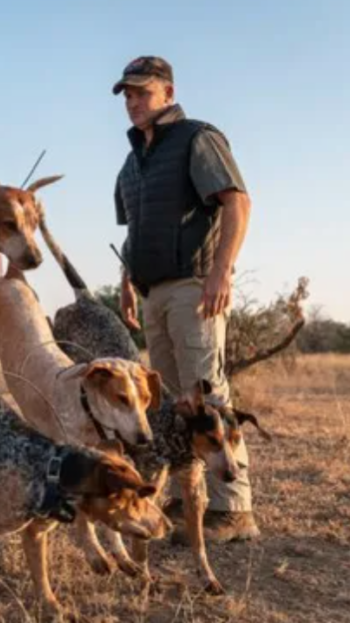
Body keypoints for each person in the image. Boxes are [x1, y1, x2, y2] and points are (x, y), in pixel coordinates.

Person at [112, 56, 257, 541]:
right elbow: (136, 230)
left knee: (208, 392)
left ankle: (234, 510)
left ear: (168, 93)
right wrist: (126, 281)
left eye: (143, 92)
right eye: (127, 95)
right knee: (173, 404)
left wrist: (221, 272)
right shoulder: (132, 163)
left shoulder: (197, 138)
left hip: (194, 286)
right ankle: (181, 498)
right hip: (152, 291)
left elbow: (237, 202)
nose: (133, 102)